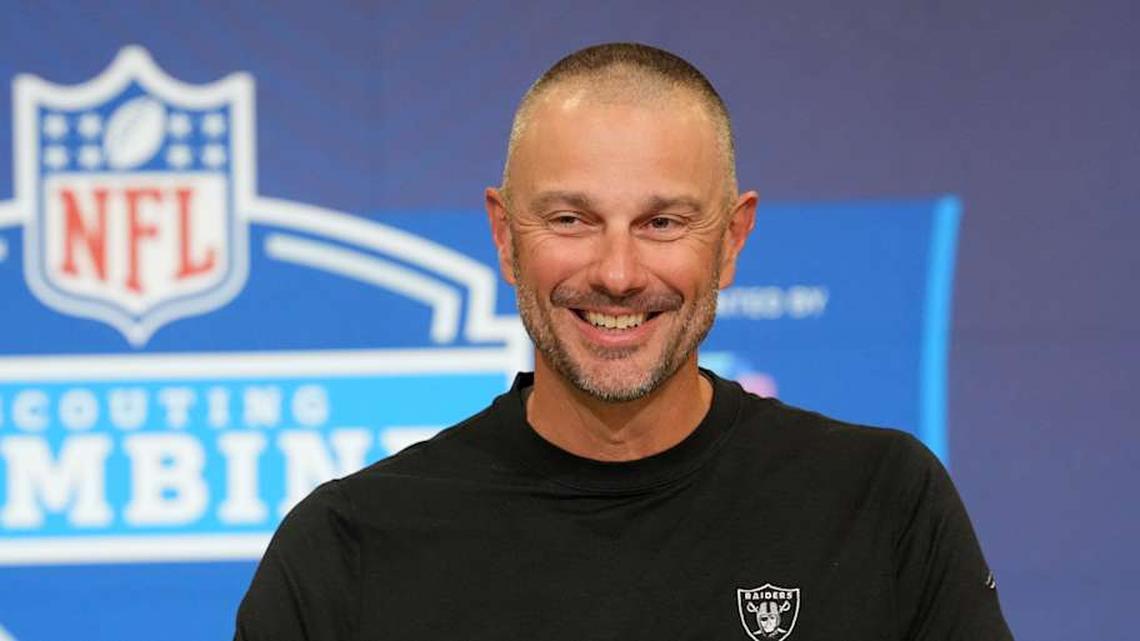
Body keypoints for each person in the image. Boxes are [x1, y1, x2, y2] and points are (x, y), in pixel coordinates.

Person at [234, 43, 1014, 640]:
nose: (615, 271)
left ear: (732, 239)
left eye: (662, 222)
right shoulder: (349, 548)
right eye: (571, 219)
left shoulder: (881, 504)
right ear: (505, 238)